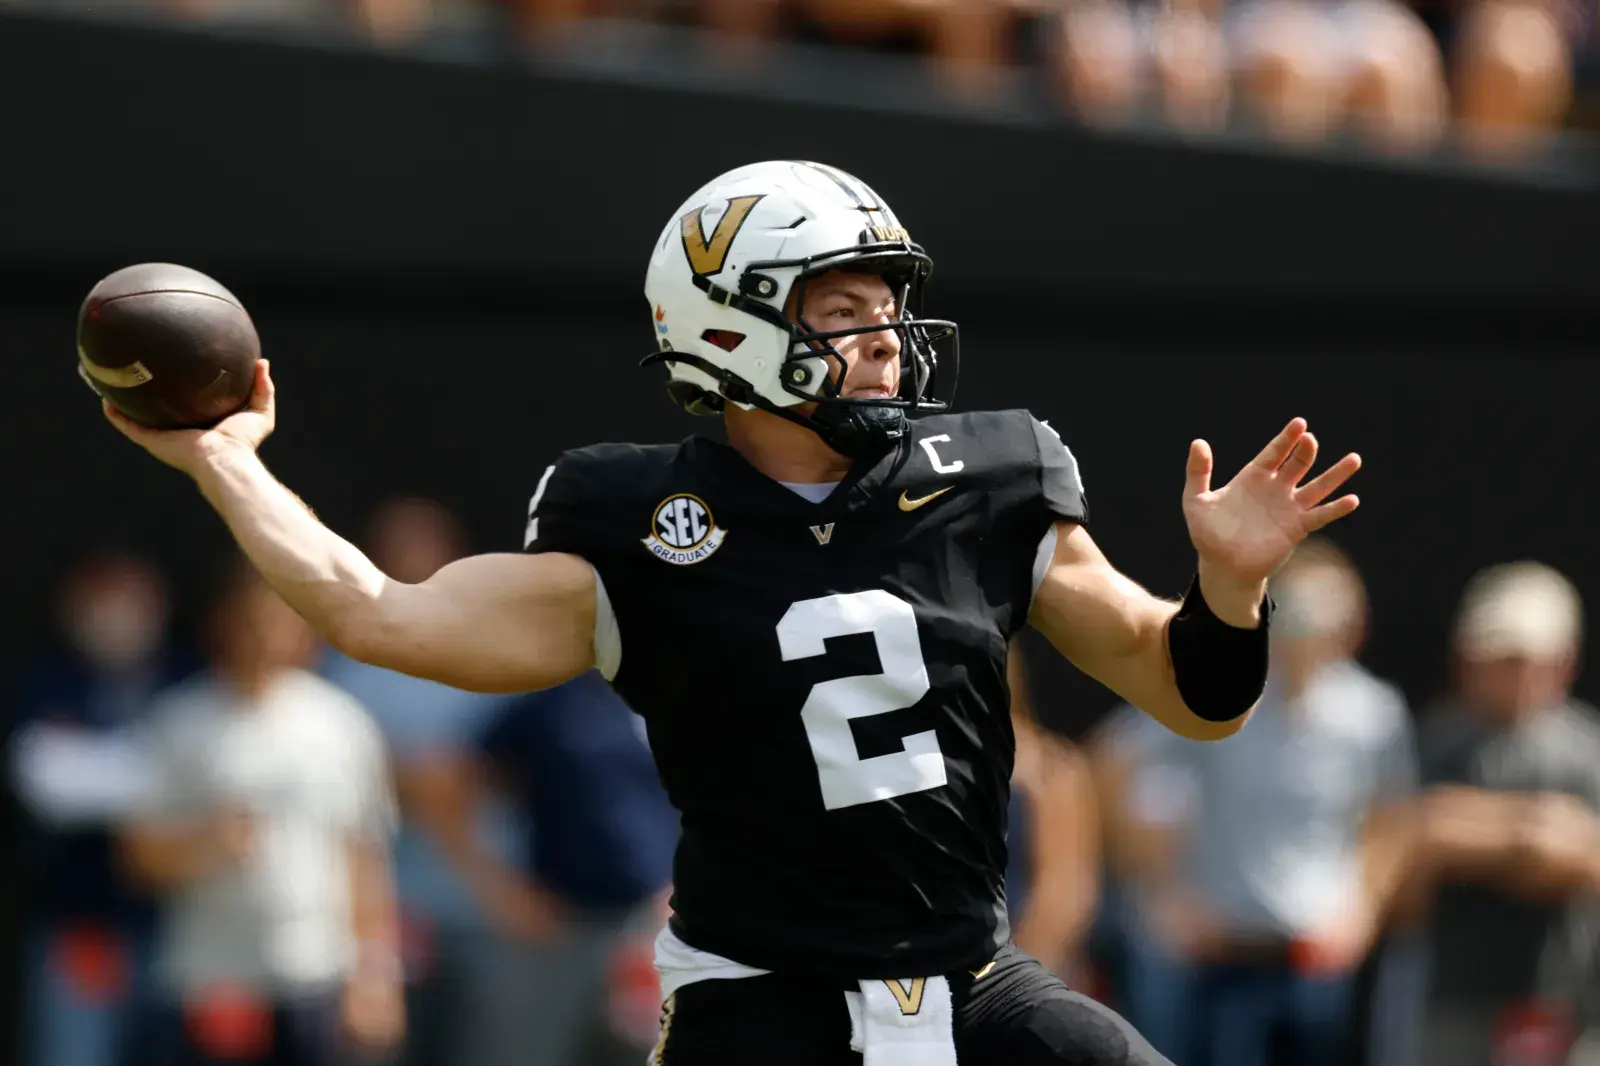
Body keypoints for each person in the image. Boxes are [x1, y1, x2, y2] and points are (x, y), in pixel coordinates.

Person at [101, 159, 1361, 1065]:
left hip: (975, 980)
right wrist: (225, 461)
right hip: (760, 1005)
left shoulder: (988, 479)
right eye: (841, 309)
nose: (883, 337)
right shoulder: (635, 521)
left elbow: (1189, 695)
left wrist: (1229, 585)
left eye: (885, 307)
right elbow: (377, 614)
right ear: (727, 325)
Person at [120, 560, 404, 1066]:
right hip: (215, 979)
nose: (265, 634)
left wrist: (376, 979)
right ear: (223, 622)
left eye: (281, 618)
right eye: (252, 619)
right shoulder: (177, 724)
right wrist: (203, 846)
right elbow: (137, 858)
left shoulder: (342, 725)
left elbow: (365, 858)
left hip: (319, 974)